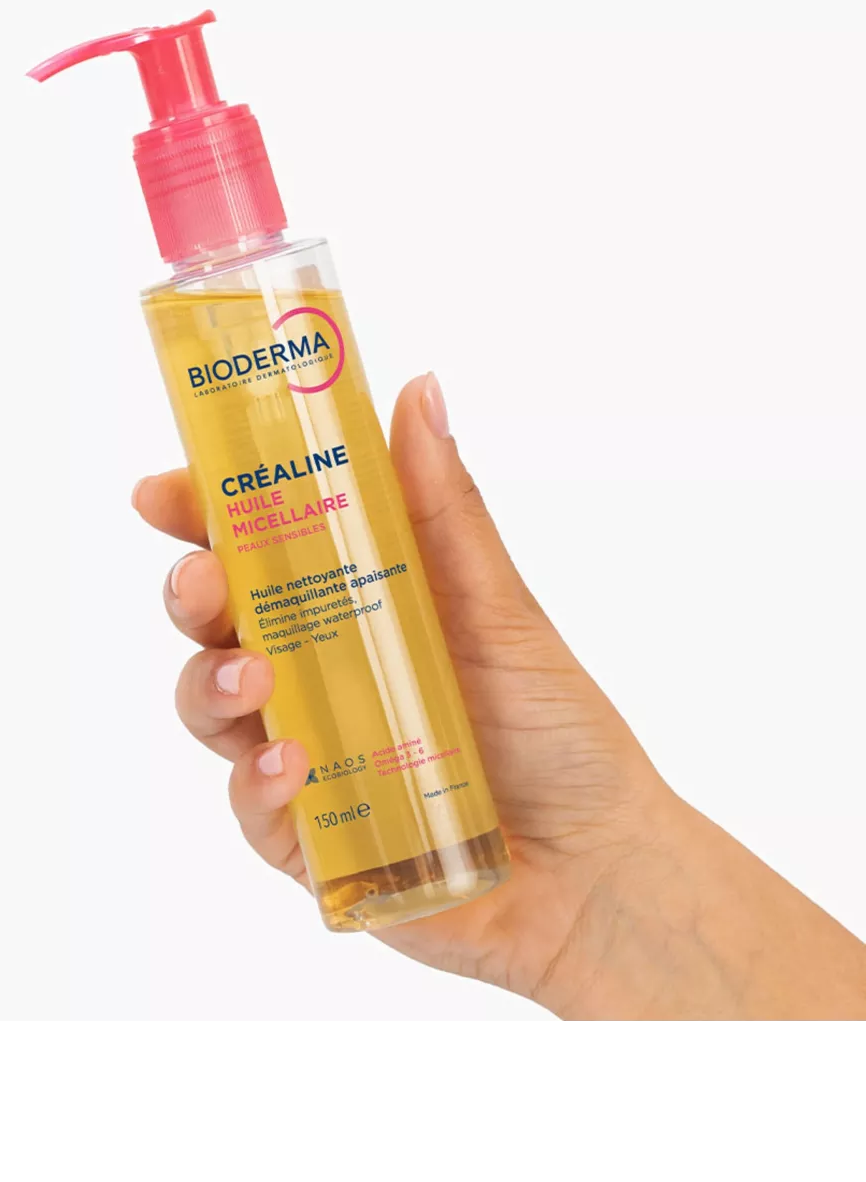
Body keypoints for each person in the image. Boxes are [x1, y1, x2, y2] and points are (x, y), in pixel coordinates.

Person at [133, 373, 866, 1020]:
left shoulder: (299, 293)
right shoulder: (203, 315)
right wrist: (593, 908)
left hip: (471, 823)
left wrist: (603, 863)